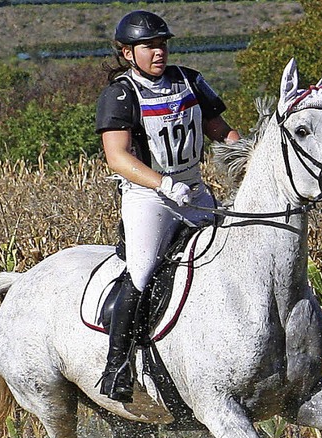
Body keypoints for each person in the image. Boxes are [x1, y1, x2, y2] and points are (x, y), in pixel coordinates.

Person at [95, 10, 240, 403]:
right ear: (128, 52)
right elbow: (117, 157)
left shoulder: (188, 80)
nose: (158, 52)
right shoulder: (122, 93)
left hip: (193, 190)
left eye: (162, 44)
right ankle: (117, 367)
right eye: (149, 46)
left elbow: (220, 130)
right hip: (150, 197)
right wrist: (162, 183)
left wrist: (247, 156)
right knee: (141, 272)